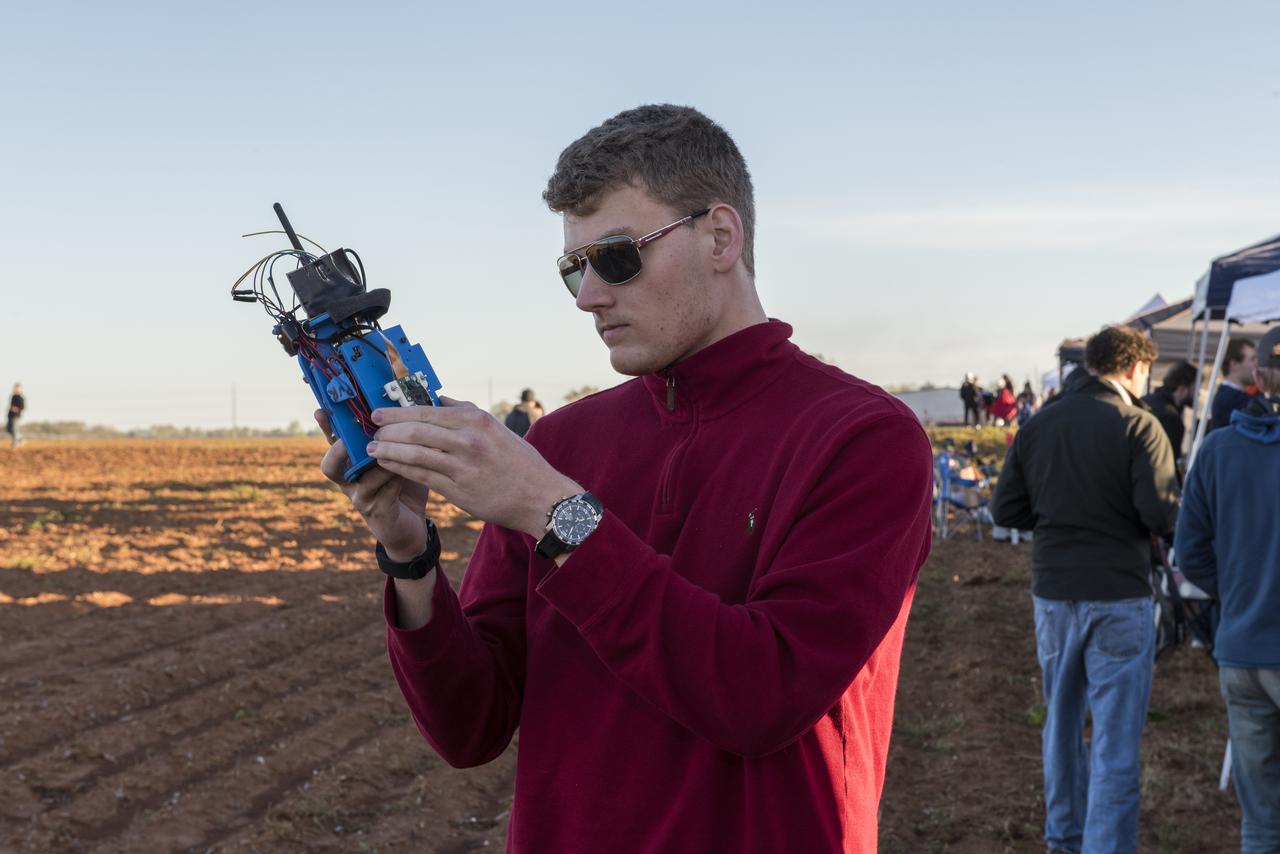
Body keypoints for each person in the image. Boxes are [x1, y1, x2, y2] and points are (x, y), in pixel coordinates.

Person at [314, 105, 933, 852]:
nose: (587, 296)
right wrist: (409, 554)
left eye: (616, 256)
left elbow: (760, 696)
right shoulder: (562, 441)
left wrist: (556, 513)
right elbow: (470, 727)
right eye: (572, 267)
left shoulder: (862, 438)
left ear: (720, 237)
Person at [991, 325, 1179, 854]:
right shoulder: (1140, 426)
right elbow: (1160, 514)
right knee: (1115, 738)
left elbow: (1004, 509)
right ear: (1134, 368)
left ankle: (1064, 839)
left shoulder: (1038, 425)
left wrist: (1056, 515)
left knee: (1062, 723)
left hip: (1054, 590)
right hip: (1117, 591)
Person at [1175, 325, 1280, 853]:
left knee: (1260, 818)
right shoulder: (1218, 449)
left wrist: (1238, 593)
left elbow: (1189, 552)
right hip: (1250, 644)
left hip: (1240, 653)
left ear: (1258, 377)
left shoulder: (1217, 449)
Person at [1142, 360, 1196, 470]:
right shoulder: (1171, 418)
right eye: (1194, 389)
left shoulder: (1145, 400)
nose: (1197, 394)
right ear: (1182, 389)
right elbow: (1168, 463)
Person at [1210, 337, 1258, 432]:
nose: (1257, 364)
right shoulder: (1228, 398)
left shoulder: (1233, 395)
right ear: (1234, 364)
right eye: (1252, 359)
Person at [7, 383, 24, 449]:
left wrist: (16, 409)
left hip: (16, 416)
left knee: (14, 430)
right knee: (8, 429)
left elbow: (22, 407)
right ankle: (20, 439)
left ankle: (14, 445)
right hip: (10, 415)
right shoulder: (13, 396)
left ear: (20, 389)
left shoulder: (20, 398)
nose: (16, 389)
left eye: (17, 388)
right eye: (15, 388)